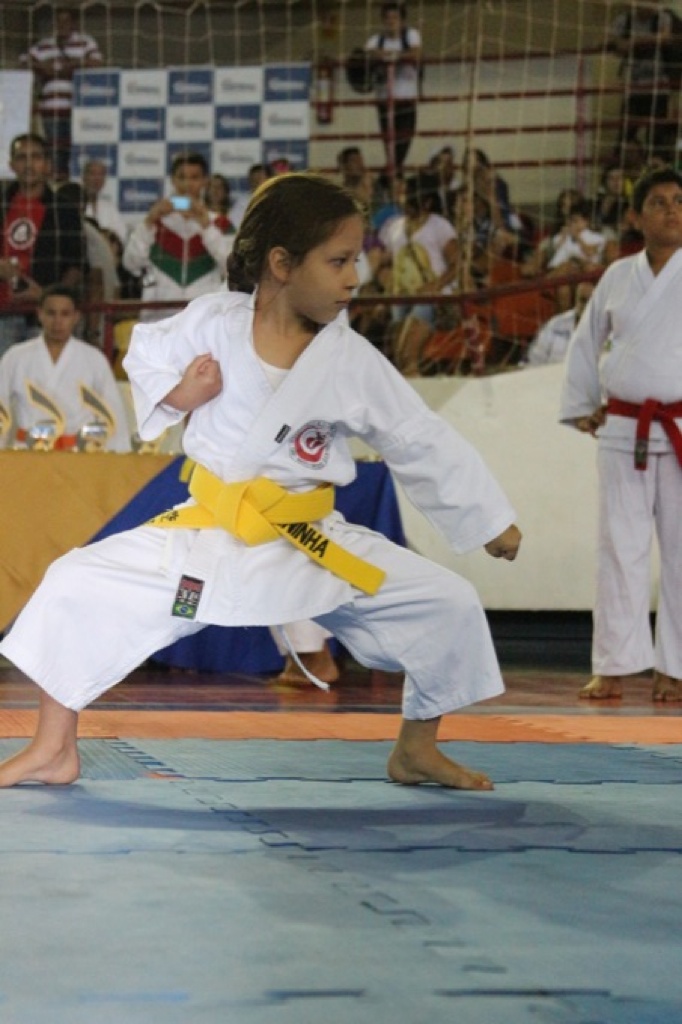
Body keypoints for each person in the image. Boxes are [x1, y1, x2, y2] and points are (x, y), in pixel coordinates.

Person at [0, 172, 521, 791]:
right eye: (338, 261)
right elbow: (146, 352)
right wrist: (180, 393)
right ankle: (53, 748)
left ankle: (416, 748)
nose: (354, 278)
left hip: (311, 541)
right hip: (208, 536)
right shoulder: (214, 322)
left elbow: (416, 435)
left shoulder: (348, 358)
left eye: (355, 260)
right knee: (74, 579)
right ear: (281, 264)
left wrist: (488, 519)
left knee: (445, 600)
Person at [559, 164, 682, 703]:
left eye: (679, 201)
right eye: (659, 202)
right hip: (624, 427)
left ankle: (675, 668)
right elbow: (586, 342)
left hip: (679, 427)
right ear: (636, 216)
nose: (672, 210)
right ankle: (612, 665)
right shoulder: (616, 276)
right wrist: (582, 404)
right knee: (618, 548)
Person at [0, 284, 130, 452]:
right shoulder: (16, 356)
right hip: (28, 451)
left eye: (65, 314)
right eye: (51, 313)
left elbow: (113, 412)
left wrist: (118, 456)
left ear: (76, 317)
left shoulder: (94, 359)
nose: (58, 322)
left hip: (78, 452)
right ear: (40, 314)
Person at [0, 133, 85, 358]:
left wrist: (48, 296)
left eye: (36, 157)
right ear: (11, 165)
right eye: (22, 158)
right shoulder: (1, 204)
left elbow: (76, 266)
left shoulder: (64, 210)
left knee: (44, 379)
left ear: (47, 165)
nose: (29, 164)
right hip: (2, 313)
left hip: (46, 319)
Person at [122, 151, 233, 322]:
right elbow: (131, 263)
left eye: (194, 177)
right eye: (182, 177)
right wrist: (150, 221)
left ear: (205, 181)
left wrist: (206, 226)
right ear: (173, 180)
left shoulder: (220, 223)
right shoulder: (154, 222)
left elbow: (233, 267)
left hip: (205, 320)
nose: (187, 184)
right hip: (159, 319)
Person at [380, 171, 459, 374]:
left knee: (409, 353)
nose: (403, 201)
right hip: (401, 296)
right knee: (398, 356)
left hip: (431, 297)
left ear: (426, 202)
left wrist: (435, 286)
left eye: (409, 197)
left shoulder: (439, 226)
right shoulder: (394, 227)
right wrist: (387, 281)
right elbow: (386, 262)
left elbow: (457, 264)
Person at [20, 7, 103, 182]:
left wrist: (72, 65)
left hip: (78, 108)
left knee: (77, 151)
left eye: (66, 20)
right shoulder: (44, 45)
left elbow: (97, 62)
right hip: (50, 109)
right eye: (58, 21)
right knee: (55, 152)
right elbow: (23, 61)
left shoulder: (85, 42)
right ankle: (57, 187)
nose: (62, 24)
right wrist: (43, 67)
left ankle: (74, 187)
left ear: (74, 23)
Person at [607, 2, 674, 160]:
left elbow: (665, 38)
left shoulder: (662, 18)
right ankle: (618, 168)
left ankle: (656, 168)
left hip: (658, 87)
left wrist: (634, 42)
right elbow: (617, 45)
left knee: (657, 137)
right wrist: (650, 40)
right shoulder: (624, 20)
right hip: (634, 88)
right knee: (626, 134)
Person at [365, 3, 422, 174]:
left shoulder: (411, 35)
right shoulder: (375, 40)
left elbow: (416, 53)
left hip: (406, 99)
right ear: (383, 21)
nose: (391, 22)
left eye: (395, 18)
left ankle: (392, 174)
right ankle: (394, 174)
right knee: (389, 142)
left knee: (404, 140)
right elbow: (369, 53)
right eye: (387, 18)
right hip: (384, 100)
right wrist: (391, 56)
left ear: (402, 21)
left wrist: (392, 56)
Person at [523, 281, 594, 367]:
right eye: (583, 300)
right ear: (575, 300)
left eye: (591, 301)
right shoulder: (555, 325)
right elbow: (534, 360)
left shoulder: (606, 328)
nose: (587, 306)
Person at [82, 158, 127, 247]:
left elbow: (121, 234)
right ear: (84, 177)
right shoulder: (75, 204)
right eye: (93, 174)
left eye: (101, 175)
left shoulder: (109, 207)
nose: (97, 179)